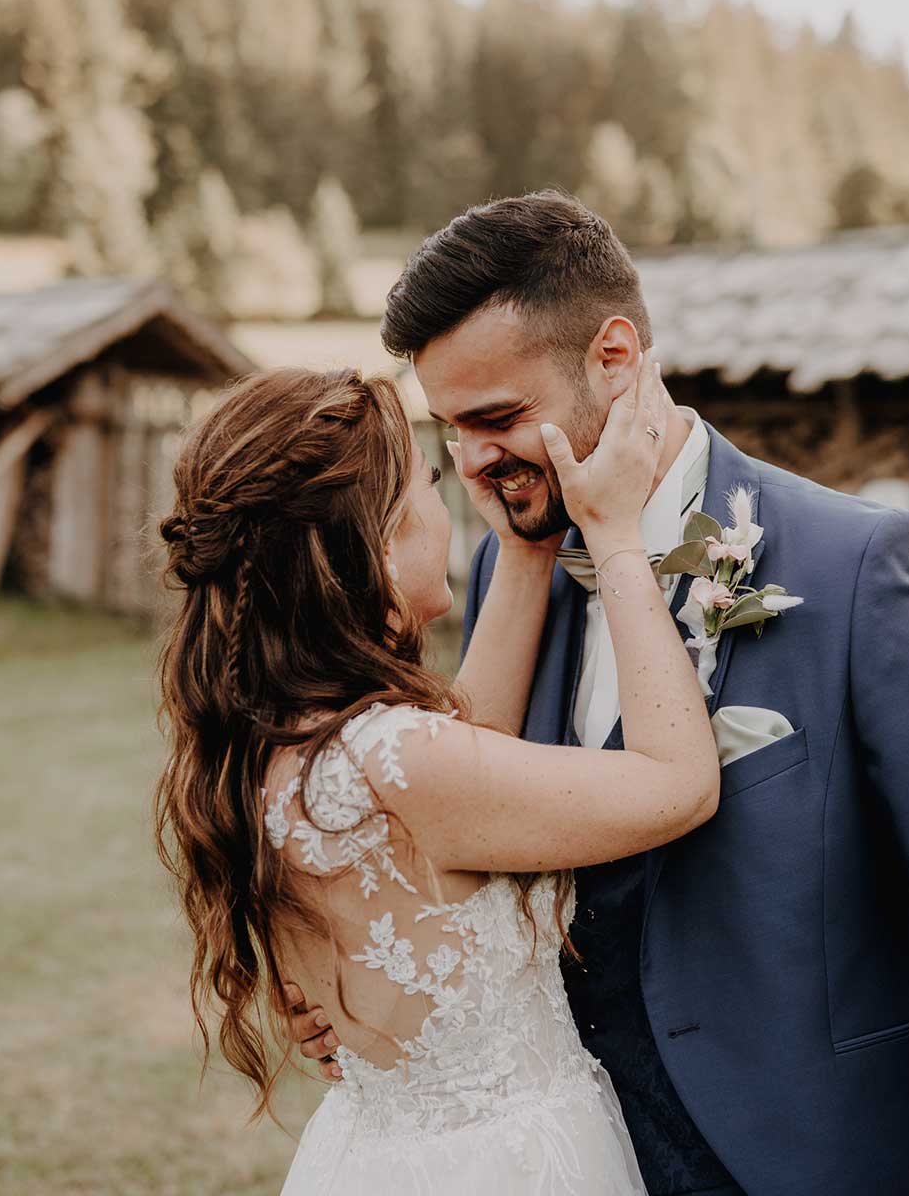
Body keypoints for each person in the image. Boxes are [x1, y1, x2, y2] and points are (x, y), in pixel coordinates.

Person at [290, 192, 909, 1195]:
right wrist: (365, 1002)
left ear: (616, 357)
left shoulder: (857, 568)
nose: (473, 464)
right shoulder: (514, 572)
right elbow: (455, 839)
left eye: (499, 418)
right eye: (450, 429)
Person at [154, 359, 713, 1194]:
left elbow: (469, 769)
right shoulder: (397, 760)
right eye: (425, 481)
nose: (448, 499)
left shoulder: (279, 744)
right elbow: (679, 781)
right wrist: (618, 534)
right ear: (375, 543)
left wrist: (527, 550)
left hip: (384, 1152)